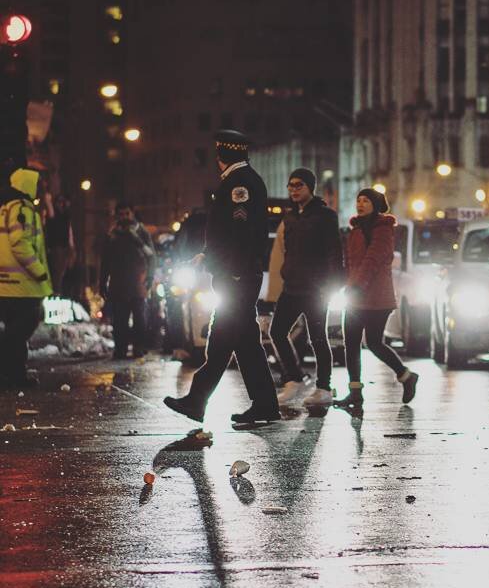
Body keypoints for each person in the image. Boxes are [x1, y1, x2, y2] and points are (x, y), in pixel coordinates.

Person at [163, 130, 279, 425]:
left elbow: (241, 233)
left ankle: (197, 400)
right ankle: (264, 404)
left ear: (221, 154)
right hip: (235, 272)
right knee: (244, 343)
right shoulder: (240, 180)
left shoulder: (240, 183)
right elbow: (227, 233)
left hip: (236, 275)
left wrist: (235, 270)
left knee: (223, 339)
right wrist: (207, 254)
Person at [270, 168, 343, 411]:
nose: (293, 189)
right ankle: (294, 379)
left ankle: (323, 389)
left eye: (298, 185)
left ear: (310, 187)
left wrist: (332, 284)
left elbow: (335, 252)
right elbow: (287, 250)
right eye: (290, 185)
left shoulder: (325, 216)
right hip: (292, 286)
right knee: (277, 332)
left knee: (318, 338)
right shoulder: (289, 217)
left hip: (316, 289)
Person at [339, 187, 418, 412]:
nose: (360, 204)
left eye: (365, 201)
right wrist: (347, 286)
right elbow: (350, 263)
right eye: (358, 200)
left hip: (376, 297)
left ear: (375, 204)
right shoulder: (354, 229)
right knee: (351, 344)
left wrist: (356, 286)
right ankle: (355, 393)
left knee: (373, 343)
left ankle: (406, 376)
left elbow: (372, 260)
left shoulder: (383, 229)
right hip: (355, 296)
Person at [0, 166, 52, 390]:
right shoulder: (23, 210)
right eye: (38, 184)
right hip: (23, 285)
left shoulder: (7, 208)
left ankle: (14, 376)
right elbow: (20, 243)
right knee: (20, 329)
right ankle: (13, 375)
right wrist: (39, 271)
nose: (40, 188)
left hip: (8, 285)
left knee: (15, 331)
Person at [100, 203, 155, 359]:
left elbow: (151, 256)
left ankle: (139, 347)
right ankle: (120, 349)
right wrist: (102, 282)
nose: (124, 217)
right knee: (120, 321)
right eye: (121, 214)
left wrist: (150, 276)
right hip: (118, 284)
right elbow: (105, 260)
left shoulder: (141, 232)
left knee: (140, 319)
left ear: (132, 214)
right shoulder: (112, 234)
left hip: (139, 283)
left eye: (127, 214)